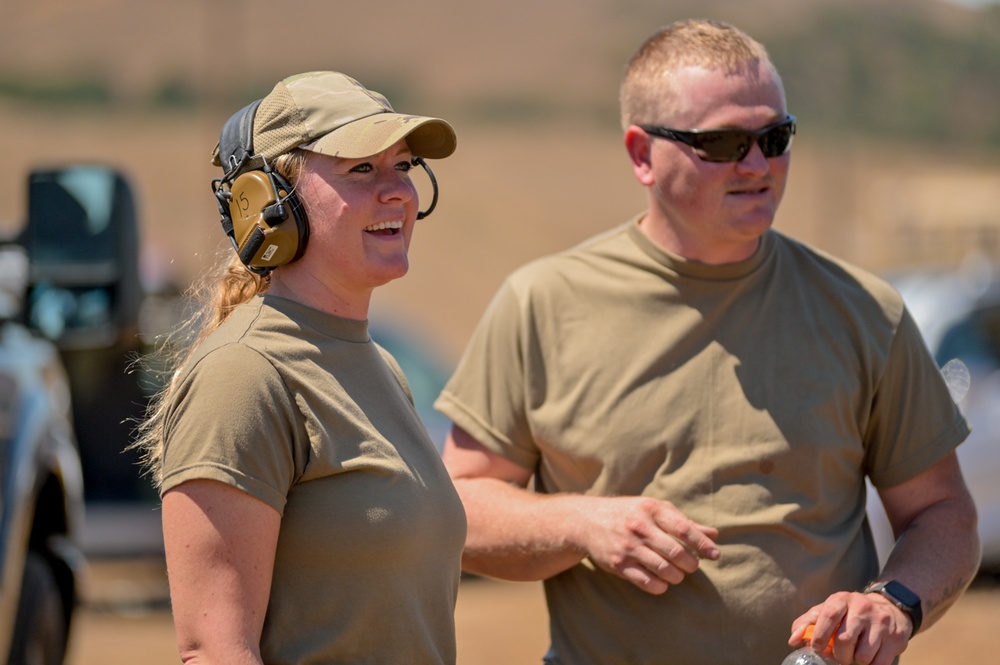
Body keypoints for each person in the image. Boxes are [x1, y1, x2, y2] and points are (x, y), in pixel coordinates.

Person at [434, 19, 981, 665]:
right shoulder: (542, 303)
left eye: (776, 137)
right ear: (641, 153)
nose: (758, 164)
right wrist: (582, 522)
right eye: (721, 142)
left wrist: (893, 601)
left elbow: (943, 512)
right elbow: (458, 506)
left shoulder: (865, 309)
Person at [133, 71, 466, 664]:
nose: (398, 192)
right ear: (268, 200)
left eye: (405, 166)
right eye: (361, 168)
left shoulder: (383, 368)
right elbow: (216, 652)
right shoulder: (243, 374)